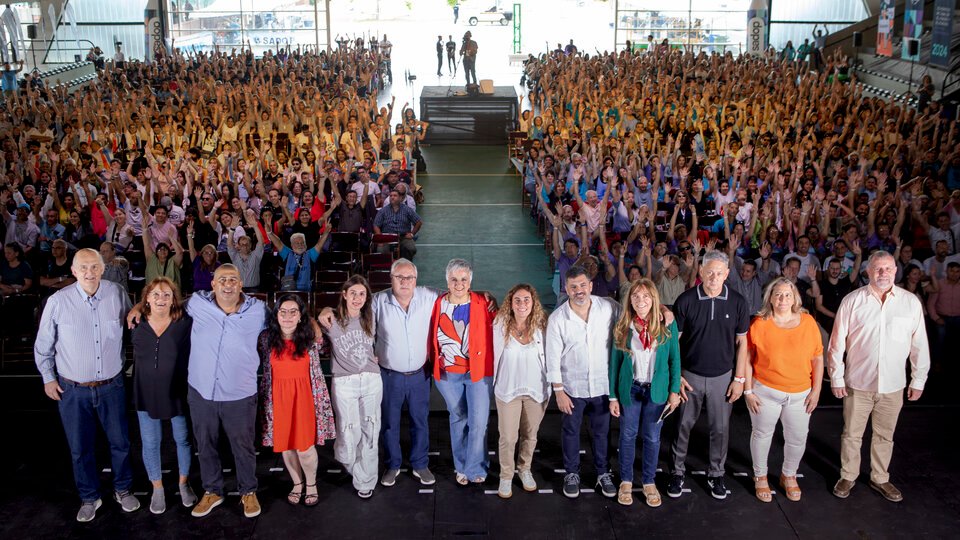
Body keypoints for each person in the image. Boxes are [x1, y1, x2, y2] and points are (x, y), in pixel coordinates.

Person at [34, 248, 139, 522]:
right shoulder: (58, 301)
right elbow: (43, 346)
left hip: (112, 386)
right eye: (83, 267)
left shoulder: (116, 293)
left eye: (94, 267)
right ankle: (90, 496)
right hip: (72, 390)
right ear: (73, 271)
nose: (89, 272)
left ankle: (123, 489)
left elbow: (133, 321)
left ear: (103, 269)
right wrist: (48, 378)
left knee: (120, 443)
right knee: (80, 448)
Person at [828, 251, 930, 503]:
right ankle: (848, 475)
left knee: (885, 435)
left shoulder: (910, 302)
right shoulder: (852, 301)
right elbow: (836, 343)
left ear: (895, 271)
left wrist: (918, 379)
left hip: (893, 385)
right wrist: (837, 377)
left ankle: (880, 478)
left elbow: (919, 345)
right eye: (878, 269)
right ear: (868, 272)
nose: (883, 273)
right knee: (852, 434)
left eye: (887, 268)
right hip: (858, 383)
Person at [667, 250, 750, 501]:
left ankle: (716, 474)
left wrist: (739, 379)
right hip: (689, 376)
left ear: (727, 274)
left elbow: (742, 343)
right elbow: (673, 343)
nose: (714, 277)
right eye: (709, 272)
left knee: (720, 429)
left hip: (722, 377)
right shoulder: (686, 300)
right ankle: (677, 471)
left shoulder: (738, 302)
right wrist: (676, 376)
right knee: (682, 426)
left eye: (719, 273)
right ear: (701, 272)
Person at [744, 277, 824, 503]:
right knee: (762, 435)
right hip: (765, 391)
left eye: (787, 294)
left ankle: (788, 475)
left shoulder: (808, 322)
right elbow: (747, 359)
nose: (782, 299)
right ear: (770, 298)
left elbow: (818, 358)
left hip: (800, 394)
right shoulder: (759, 323)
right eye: (777, 294)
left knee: (797, 438)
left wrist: (816, 390)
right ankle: (760, 476)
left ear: (795, 298)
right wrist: (748, 391)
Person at [546, 264, 620, 499]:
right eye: (573, 287)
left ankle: (603, 473)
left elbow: (633, 311)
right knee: (571, 431)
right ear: (566, 289)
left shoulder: (607, 307)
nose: (579, 290)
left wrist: (664, 310)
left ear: (590, 285)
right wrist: (559, 391)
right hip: (572, 388)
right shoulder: (558, 319)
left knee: (602, 432)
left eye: (582, 285)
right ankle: (571, 473)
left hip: (602, 386)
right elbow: (552, 357)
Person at [608, 279, 681, 507]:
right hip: (630, 389)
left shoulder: (667, 324)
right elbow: (614, 363)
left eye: (646, 296)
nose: (641, 301)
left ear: (654, 299)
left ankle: (649, 481)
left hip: (656, 391)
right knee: (627, 435)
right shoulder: (623, 325)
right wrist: (613, 396)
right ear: (630, 300)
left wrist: (674, 391)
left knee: (652, 437)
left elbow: (675, 360)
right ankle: (626, 481)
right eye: (636, 296)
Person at [259, 293, 335, 507]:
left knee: (305, 448)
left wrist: (320, 317)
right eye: (283, 312)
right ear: (276, 315)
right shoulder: (265, 339)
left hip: (305, 399)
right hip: (278, 400)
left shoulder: (312, 338)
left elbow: (332, 336)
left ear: (301, 316)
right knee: (287, 447)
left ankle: (311, 484)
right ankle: (297, 483)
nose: (287, 316)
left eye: (293, 312)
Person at [131, 277, 197, 514]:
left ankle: (183, 483)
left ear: (173, 300)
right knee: (150, 442)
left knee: (182, 439)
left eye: (167, 295)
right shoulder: (135, 322)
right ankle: (157, 488)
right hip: (145, 392)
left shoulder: (185, 322)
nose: (161, 299)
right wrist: (135, 309)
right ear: (147, 298)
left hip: (177, 390)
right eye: (156, 294)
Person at [429, 258, 496, 485]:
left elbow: (502, 325)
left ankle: (474, 467)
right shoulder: (437, 303)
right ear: (447, 281)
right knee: (458, 417)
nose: (459, 284)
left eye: (464, 279)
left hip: (478, 373)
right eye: (454, 279)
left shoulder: (483, 303)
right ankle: (461, 466)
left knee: (478, 422)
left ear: (470, 282)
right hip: (448, 374)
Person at [324, 276, 382, 498]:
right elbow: (309, 323)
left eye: (362, 294)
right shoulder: (331, 320)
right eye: (353, 293)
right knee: (349, 432)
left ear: (367, 297)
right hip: (344, 381)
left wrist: (378, 355)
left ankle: (365, 481)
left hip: (371, 379)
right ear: (344, 295)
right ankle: (352, 464)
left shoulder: (371, 318)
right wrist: (322, 311)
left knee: (371, 430)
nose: (357, 298)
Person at [492, 284, 550, 499]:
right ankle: (506, 475)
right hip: (508, 391)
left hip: (536, 391)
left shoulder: (543, 325)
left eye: (526, 299)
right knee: (508, 437)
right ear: (510, 303)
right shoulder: (499, 324)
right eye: (517, 300)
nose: (522, 304)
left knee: (530, 435)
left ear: (533, 303)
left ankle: (524, 469)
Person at [373, 189, 422, 260]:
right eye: (391, 196)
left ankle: (405, 264)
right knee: (381, 250)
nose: (392, 197)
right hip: (387, 237)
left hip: (403, 237)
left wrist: (412, 234)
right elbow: (376, 225)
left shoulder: (407, 209)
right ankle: (387, 265)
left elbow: (418, 222)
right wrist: (380, 238)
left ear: (400, 198)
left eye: (395, 196)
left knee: (411, 248)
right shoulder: (383, 211)